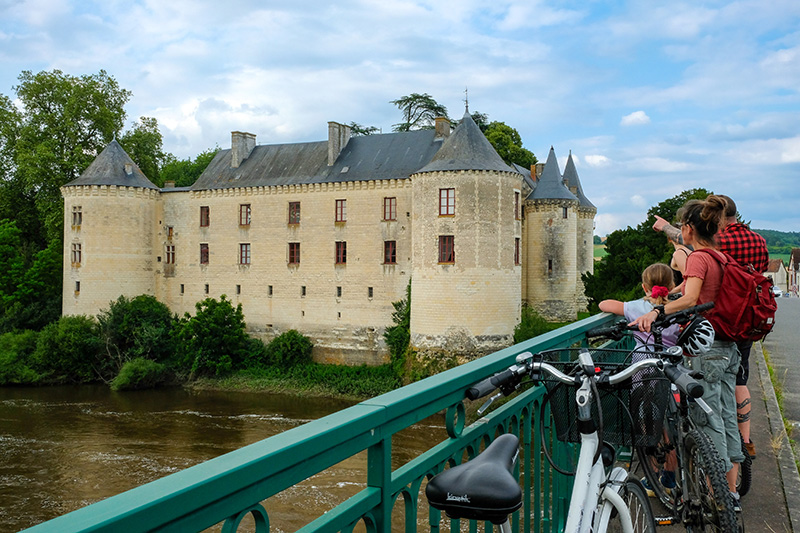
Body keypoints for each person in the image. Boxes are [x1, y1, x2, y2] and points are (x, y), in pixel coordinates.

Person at [633, 195, 745, 511]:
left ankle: (718, 498)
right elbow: (692, 290)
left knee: (708, 427)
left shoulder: (696, 257)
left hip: (705, 353)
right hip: (727, 348)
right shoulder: (720, 256)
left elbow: (692, 296)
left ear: (687, 229)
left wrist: (657, 311)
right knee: (725, 419)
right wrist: (674, 292)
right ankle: (731, 495)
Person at [716, 195, 768, 460]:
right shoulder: (759, 240)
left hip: (722, 318)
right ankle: (745, 439)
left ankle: (723, 439)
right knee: (740, 376)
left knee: (716, 376)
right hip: (749, 319)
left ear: (720, 218)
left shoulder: (719, 240)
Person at [599, 263, 681, 348]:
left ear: (644, 287)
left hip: (643, 358)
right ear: (671, 287)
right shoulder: (677, 308)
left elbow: (603, 305)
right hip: (670, 357)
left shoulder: (635, 306)